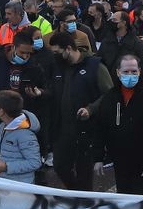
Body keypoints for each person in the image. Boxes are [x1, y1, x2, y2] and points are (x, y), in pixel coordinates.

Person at [88, 53, 143, 195]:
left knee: (142, 203)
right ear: (118, 72)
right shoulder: (110, 97)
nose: (130, 75)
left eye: (133, 71)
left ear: (139, 72)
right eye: (126, 72)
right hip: (120, 162)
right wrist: (98, 157)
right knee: (124, 198)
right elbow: (100, 128)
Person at [47, 29, 112, 191]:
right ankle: (76, 194)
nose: (55, 56)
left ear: (69, 48)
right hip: (62, 128)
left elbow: (109, 94)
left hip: (86, 129)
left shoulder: (95, 66)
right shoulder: (59, 67)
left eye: (57, 52)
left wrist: (91, 109)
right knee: (60, 166)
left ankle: (84, 201)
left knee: (84, 172)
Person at [0, 90, 43, 184]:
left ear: (1, 110)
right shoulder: (2, 126)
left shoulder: (25, 134)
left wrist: (7, 166)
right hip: (1, 183)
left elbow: (35, 162)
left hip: (19, 187)